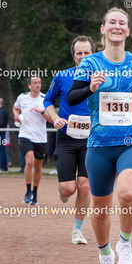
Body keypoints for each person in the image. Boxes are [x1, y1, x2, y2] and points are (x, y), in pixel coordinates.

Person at [68, 7, 132, 264]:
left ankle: (125, 244)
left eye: (122, 23)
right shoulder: (90, 63)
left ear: (128, 30)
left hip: (131, 141)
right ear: (103, 29)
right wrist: (91, 88)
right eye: (112, 22)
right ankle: (105, 256)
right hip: (99, 145)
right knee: (101, 207)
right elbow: (72, 97)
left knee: (127, 194)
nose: (117, 26)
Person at [44, 36, 95, 244]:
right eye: (79, 53)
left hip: (90, 141)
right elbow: (47, 100)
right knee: (68, 188)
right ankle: (62, 191)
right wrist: (55, 117)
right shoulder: (62, 76)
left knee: (85, 186)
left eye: (86, 53)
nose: (83, 57)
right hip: (66, 138)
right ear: (73, 56)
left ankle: (77, 230)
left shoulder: (101, 77)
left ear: (93, 54)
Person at [13, 77, 51, 206]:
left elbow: (51, 119)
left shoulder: (45, 98)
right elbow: (15, 108)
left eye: (39, 82)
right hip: (25, 135)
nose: (38, 85)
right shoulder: (22, 97)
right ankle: (28, 191)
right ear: (29, 85)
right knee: (29, 161)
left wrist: (42, 112)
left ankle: (35, 192)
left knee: (38, 166)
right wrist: (16, 115)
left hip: (40, 137)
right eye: (35, 83)